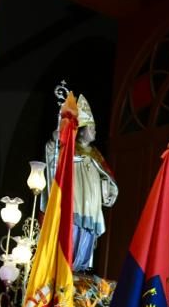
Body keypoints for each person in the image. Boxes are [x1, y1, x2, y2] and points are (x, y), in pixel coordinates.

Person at [43, 93, 118, 271]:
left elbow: (107, 177)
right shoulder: (70, 149)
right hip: (76, 200)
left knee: (88, 233)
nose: (95, 131)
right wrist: (56, 138)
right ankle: (68, 266)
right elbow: (53, 157)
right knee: (73, 228)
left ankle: (82, 268)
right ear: (82, 130)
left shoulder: (96, 154)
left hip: (92, 205)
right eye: (92, 128)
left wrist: (107, 187)